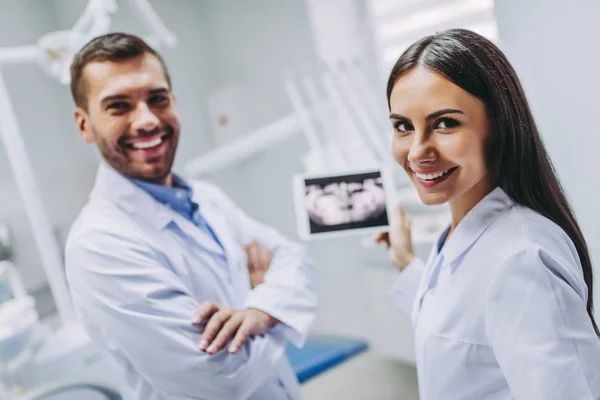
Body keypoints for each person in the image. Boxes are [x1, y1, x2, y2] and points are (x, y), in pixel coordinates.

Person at [64, 33, 316, 400]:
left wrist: (260, 309)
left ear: (174, 103)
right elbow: (220, 376)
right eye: (119, 106)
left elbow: (296, 260)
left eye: (157, 99)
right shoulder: (100, 245)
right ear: (84, 124)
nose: (147, 120)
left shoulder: (206, 198)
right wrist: (273, 305)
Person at [375, 29, 600, 399]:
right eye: (403, 126)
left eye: (445, 123)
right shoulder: (466, 232)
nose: (417, 151)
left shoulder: (522, 260)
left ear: (498, 126)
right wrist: (405, 262)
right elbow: (464, 336)